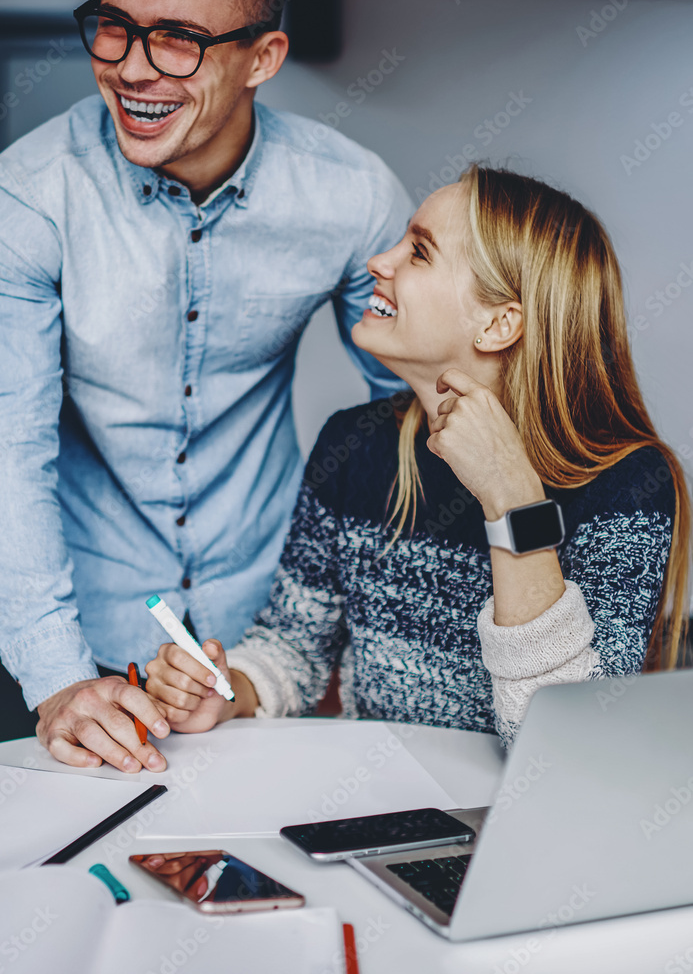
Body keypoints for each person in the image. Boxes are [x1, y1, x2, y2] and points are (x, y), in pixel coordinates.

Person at [0, 0, 413, 774]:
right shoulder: (25, 200)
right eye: (113, 26)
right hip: (90, 627)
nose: (131, 68)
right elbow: (3, 453)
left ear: (261, 58)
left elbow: (415, 415)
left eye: (178, 39)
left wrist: (401, 631)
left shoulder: (349, 195)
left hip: (266, 643)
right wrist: (57, 678)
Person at [146, 165, 691, 745]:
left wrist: (511, 498)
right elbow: (294, 645)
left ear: (499, 323)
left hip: (516, 825)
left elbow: (564, 746)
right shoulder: (354, 443)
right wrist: (230, 690)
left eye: (420, 252)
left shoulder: (628, 485)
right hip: (371, 817)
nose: (379, 262)